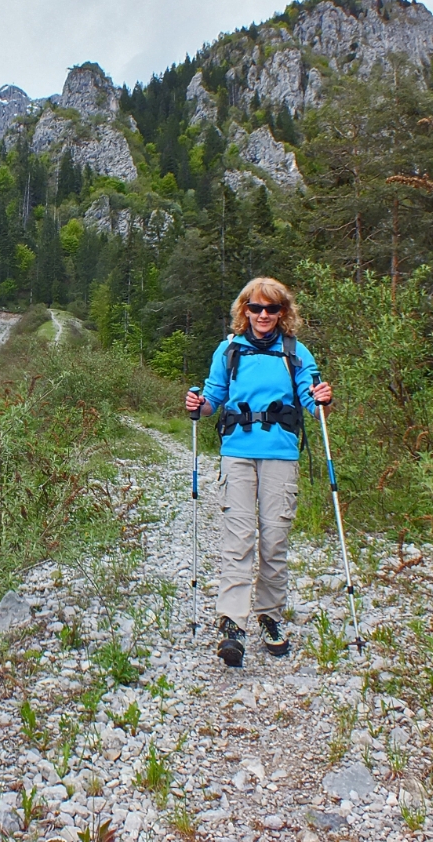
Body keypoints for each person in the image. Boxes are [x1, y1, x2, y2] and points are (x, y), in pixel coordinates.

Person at [185, 276, 332, 667]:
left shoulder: (296, 352)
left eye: (271, 308)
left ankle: (270, 615)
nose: (263, 315)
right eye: (255, 307)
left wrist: (322, 399)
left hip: (281, 455)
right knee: (238, 537)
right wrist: (196, 405)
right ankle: (232, 623)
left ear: (283, 313)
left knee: (275, 538)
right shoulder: (228, 350)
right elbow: (212, 401)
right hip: (237, 453)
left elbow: (314, 405)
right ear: (244, 311)